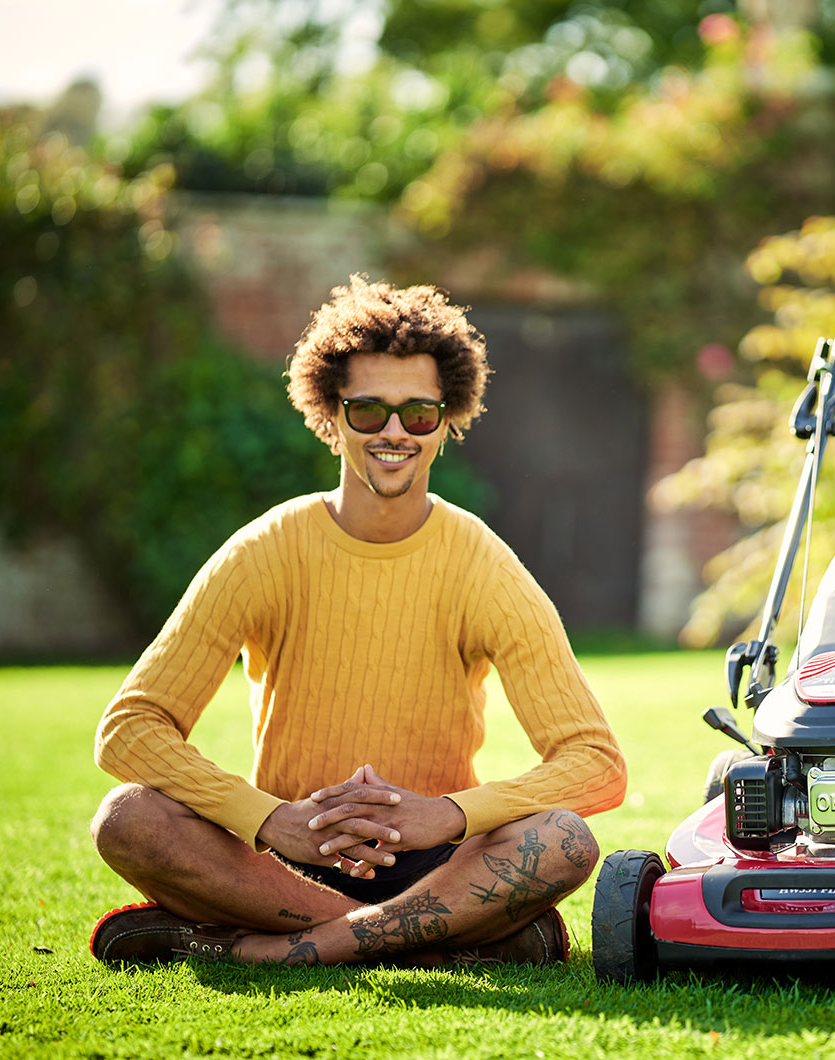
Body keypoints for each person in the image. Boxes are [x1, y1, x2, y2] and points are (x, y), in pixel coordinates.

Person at [87, 277, 626, 967]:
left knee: (563, 839)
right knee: (128, 819)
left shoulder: (483, 564)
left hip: (437, 865)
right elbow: (130, 729)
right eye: (368, 411)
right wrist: (271, 819)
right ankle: (443, 941)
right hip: (283, 861)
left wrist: (448, 814)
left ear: (447, 419)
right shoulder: (266, 549)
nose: (394, 432)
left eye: (418, 413)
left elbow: (596, 764)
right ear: (332, 416)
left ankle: (280, 949)